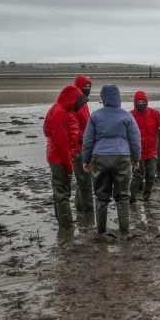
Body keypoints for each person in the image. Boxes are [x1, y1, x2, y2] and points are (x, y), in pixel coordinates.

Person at [81, 85, 141, 234]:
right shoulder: (127, 116)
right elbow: (135, 140)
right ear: (118, 97)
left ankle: (100, 232)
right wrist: (136, 159)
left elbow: (88, 141)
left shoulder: (95, 116)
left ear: (103, 98)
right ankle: (124, 232)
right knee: (122, 197)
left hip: (100, 157)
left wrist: (86, 160)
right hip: (122, 157)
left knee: (101, 197)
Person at [44, 85, 88, 229]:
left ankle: (64, 223)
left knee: (60, 192)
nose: (78, 106)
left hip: (60, 157)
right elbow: (61, 143)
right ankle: (67, 226)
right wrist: (69, 166)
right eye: (77, 102)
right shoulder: (59, 113)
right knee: (63, 194)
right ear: (71, 100)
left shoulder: (62, 110)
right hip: (59, 158)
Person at [72, 75, 93, 213]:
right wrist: (86, 136)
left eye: (89, 87)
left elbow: (87, 124)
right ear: (78, 87)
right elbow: (73, 130)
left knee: (82, 182)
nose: (87, 89)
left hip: (85, 147)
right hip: (78, 149)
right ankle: (88, 213)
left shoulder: (84, 103)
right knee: (85, 183)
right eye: (84, 87)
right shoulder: (75, 104)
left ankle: (79, 209)